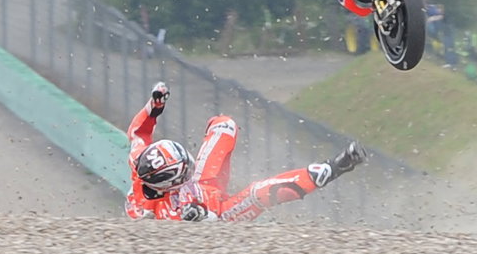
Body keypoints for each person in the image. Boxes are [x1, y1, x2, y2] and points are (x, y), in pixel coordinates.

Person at [126, 82, 367, 222]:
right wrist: (200, 215)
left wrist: (153, 107)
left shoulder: (140, 158)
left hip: (205, 185)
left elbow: (138, 134)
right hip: (219, 214)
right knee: (259, 192)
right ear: (168, 185)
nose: (191, 164)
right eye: (184, 169)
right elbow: (197, 230)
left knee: (224, 125)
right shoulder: (157, 212)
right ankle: (333, 168)